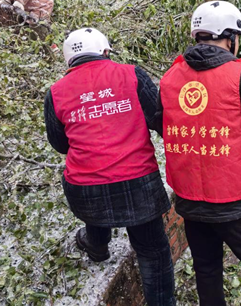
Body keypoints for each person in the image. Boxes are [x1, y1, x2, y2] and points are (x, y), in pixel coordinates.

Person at [159, 1, 241, 306]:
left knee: (206, 269)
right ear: (230, 37)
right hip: (238, 199)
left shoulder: (170, 77)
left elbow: (160, 123)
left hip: (191, 199)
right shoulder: (240, 75)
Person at [44, 28, 176, 306]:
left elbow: (60, 144)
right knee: (153, 252)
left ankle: (97, 244)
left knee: (90, 179)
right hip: (138, 182)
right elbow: (158, 119)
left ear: (69, 61)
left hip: (84, 190)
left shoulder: (55, 93)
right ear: (105, 52)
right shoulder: (132, 75)